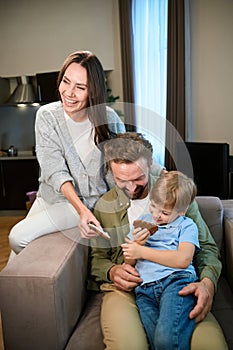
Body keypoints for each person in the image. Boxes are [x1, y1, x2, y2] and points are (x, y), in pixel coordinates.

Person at [87, 132, 226, 350]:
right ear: (111, 171)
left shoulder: (176, 194)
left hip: (177, 283)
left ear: (150, 164)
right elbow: (97, 259)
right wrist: (112, 272)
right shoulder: (105, 205)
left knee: (210, 345)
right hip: (128, 290)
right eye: (121, 180)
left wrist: (207, 283)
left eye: (138, 178)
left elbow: (206, 248)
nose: (131, 188)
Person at [8, 50, 125, 258]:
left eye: (80, 87)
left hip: (84, 202)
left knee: (17, 237)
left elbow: (126, 160)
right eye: (66, 81)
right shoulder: (47, 116)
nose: (69, 93)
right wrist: (81, 210)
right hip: (50, 198)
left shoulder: (108, 118)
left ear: (93, 92)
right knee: (15, 255)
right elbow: (55, 170)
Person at [121, 170, 199, 349]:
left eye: (164, 212)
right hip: (145, 290)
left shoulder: (186, 225)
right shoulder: (143, 221)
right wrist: (136, 245)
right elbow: (129, 261)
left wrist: (142, 252)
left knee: (166, 340)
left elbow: (183, 260)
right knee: (154, 340)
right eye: (153, 205)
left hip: (176, 283)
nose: (156, 215)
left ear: (181, 210)